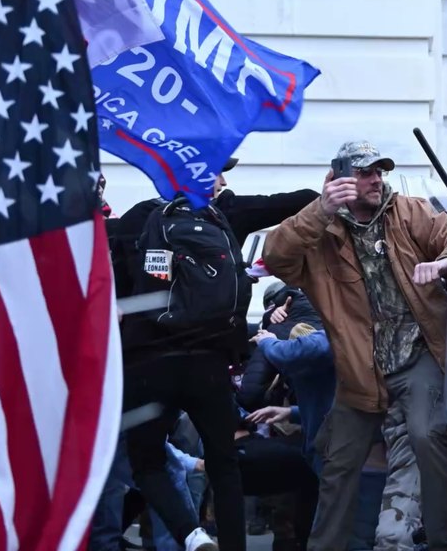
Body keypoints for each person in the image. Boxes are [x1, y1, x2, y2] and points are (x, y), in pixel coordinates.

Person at [261, 140, 447, 551]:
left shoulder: (409, 211)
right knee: (338, 460)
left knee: (427, 436)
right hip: (360, 367)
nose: (376, 179)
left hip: (417, 354)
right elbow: (276, 257)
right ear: (338, 178)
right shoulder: (321, 230)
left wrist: (446, 263)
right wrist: (320, 209)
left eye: (379, 171)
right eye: (364, 172)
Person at [112, 156, 317, 551]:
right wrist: (330, 191)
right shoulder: (224, 215)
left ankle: (192, 536)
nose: (221, 179)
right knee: (225, 466)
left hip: (147, 362)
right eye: (216, 171)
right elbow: (297, 199)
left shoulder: (139, 218)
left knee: (147, 462)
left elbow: (119, 289)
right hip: (210, 363)